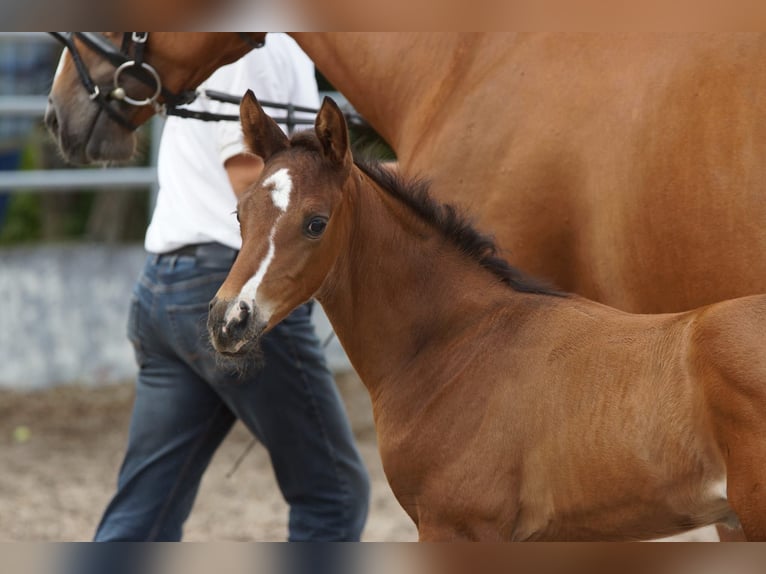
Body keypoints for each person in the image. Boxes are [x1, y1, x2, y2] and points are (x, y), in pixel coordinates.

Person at [94, 34, 370, 541]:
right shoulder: (253, 49)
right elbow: (255, 185)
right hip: (231, 285)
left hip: (163, 286)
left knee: (146, 510)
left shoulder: (223, 43)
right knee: (334, 495)